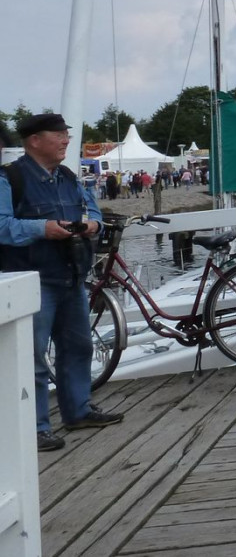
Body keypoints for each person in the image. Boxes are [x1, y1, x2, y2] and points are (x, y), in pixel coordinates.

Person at [0, 113, 121, 452]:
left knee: (78, 348)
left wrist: (93, 225)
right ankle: (35, 427)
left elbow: (93, 211)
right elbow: (2, 227)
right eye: (58, 134)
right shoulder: (10, 179)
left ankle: (78, 410)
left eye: (65, 133)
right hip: (33, 281)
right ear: (34, 140)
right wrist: (43, 229)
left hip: (71, 277)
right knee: (33, 356)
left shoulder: (68, 177)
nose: (66, 139)